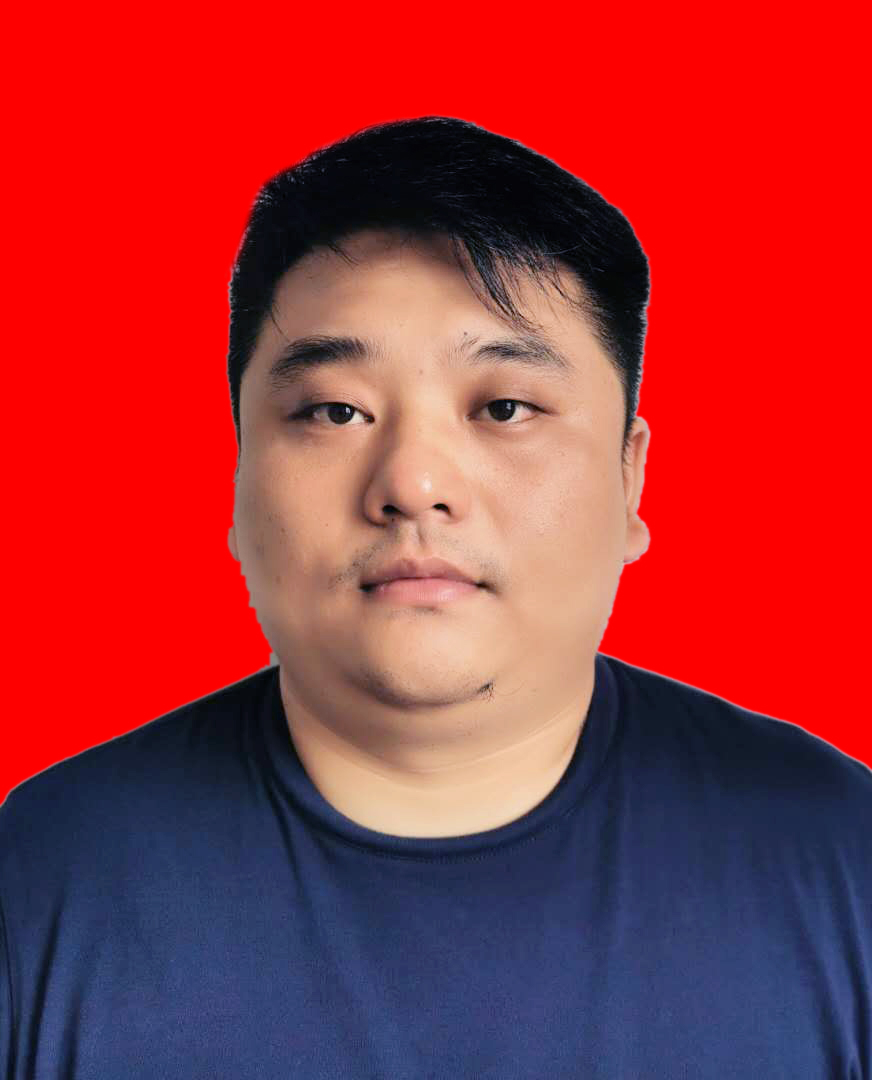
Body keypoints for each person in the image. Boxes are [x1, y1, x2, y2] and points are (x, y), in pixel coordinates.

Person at [1, 116, 869, 1079]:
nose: (412, 484)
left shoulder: (842, 857)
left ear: (630, 478)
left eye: (504, 408)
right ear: (239, 477)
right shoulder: (39, 878)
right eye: (336, 410)